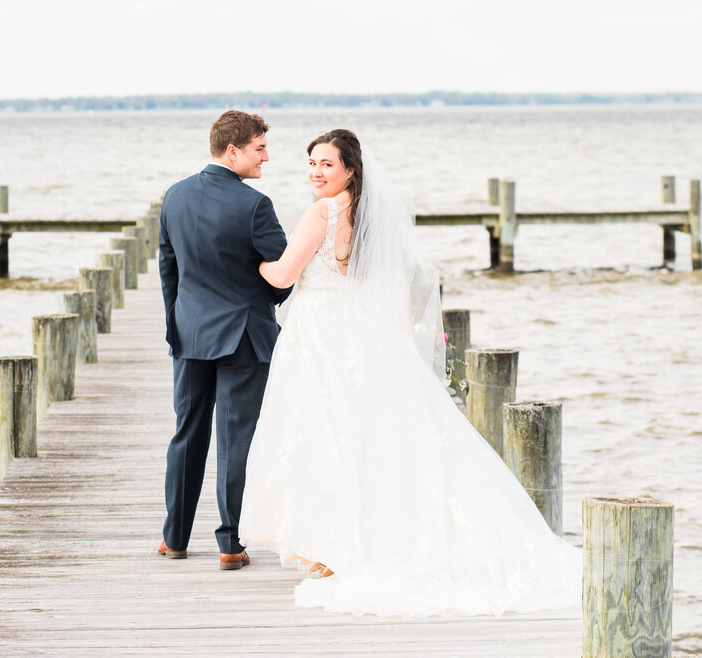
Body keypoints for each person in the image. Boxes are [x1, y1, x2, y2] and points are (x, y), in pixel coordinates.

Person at [239, 128, 581, 617]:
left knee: (326, 429)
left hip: (321, 335)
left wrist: (247, 260)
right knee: (363, 430)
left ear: (350, 170)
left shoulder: (322, 212)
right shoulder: (370, 217)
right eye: (311, 162)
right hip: (358, 329)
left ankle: (337, 546)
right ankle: (348, 540)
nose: (316, 172)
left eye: (327, 164)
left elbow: (283, 275)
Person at [158, 110, 292, 570]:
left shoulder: (174, 196)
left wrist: (177, 322)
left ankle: (174, 537)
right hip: (243, 337)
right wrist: (262, 293)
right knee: (236, 440)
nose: (266, 157)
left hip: (190, 331)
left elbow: (168, 269)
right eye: (259, 148)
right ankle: (230, 543)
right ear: (232, 150)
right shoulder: (255, 205)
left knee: (186, 434)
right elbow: (284, 277)